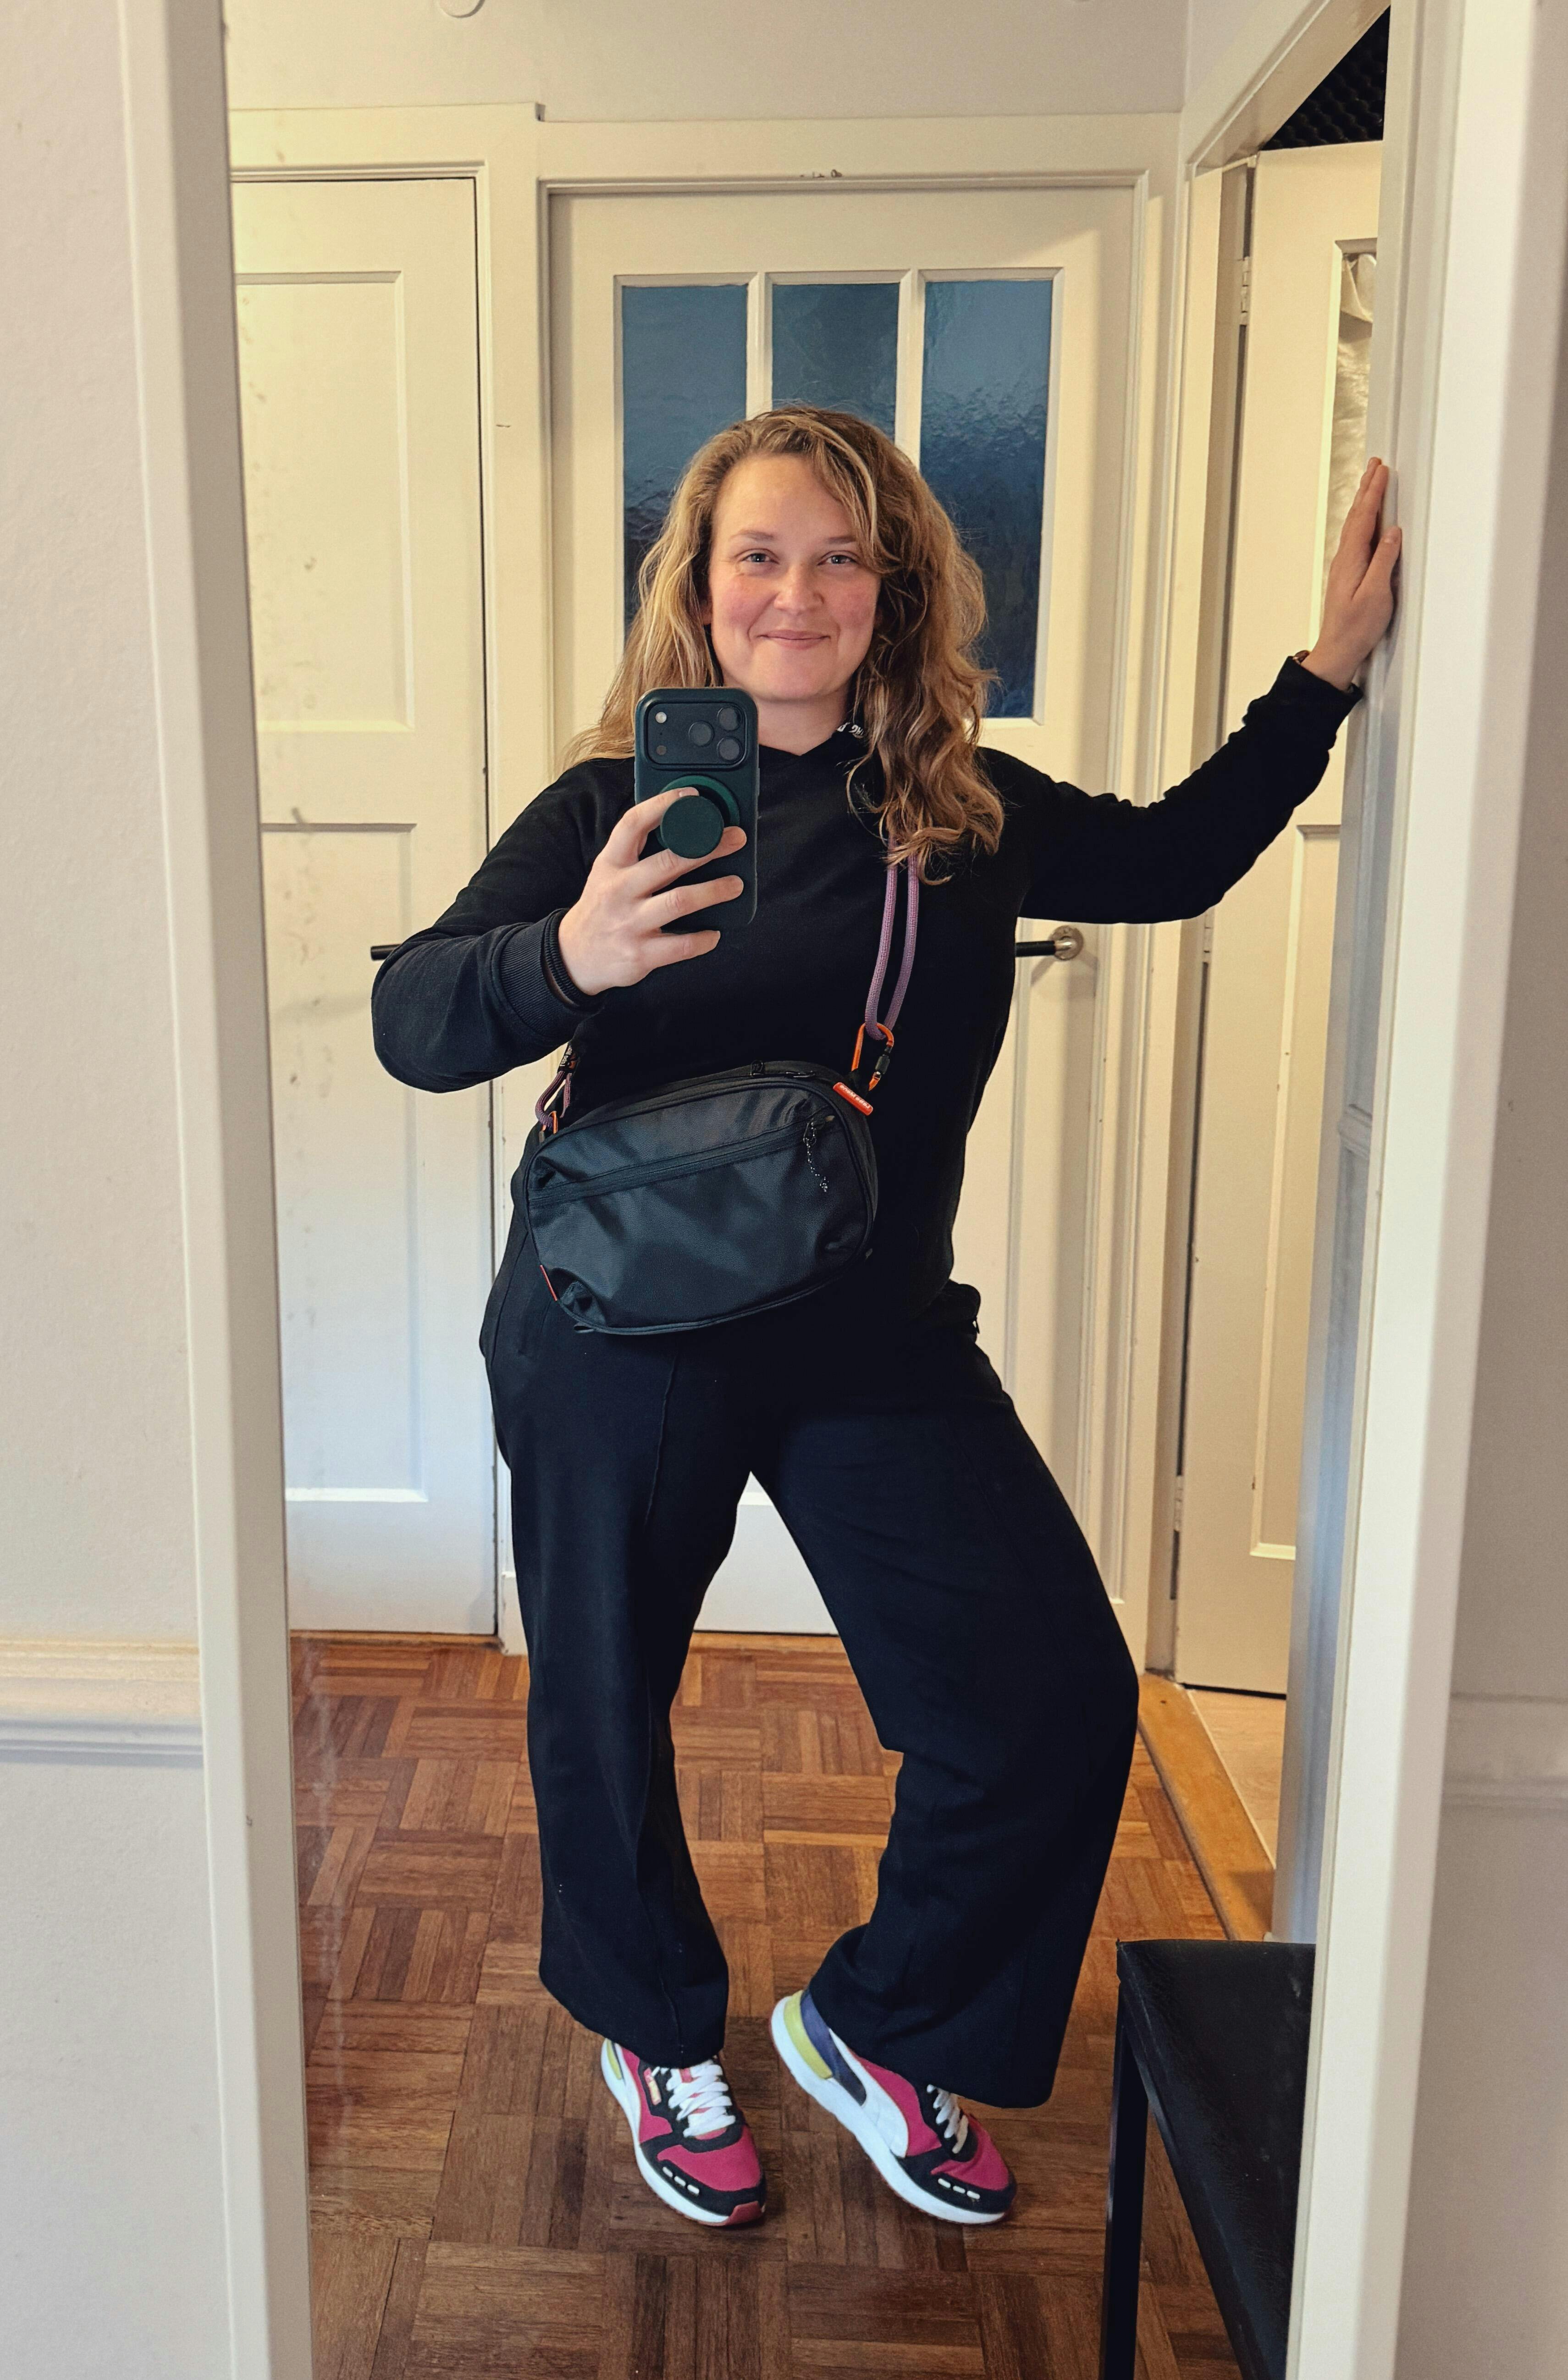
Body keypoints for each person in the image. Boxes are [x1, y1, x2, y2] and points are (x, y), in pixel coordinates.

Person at [372, 406, 1399, 2232]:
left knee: (1049, 1695)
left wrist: (1322, 678)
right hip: (616, 1328)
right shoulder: (612, 806)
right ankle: (653, 2030)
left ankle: (880, 2019)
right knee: (604, 1699)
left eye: (841, 557)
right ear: (700, 586)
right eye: (759, 555)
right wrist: (568, 957)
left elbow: (1175, 857)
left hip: (870, 1331)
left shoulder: (964, 814)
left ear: (896, 590)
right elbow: (415, 1020)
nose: (797, 593)